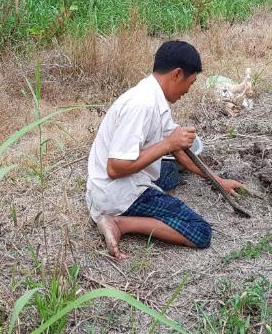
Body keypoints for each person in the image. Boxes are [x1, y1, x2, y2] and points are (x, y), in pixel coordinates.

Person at [86, 40, 243, 260]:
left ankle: (124, 213)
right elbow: (115, 168)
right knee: (200, 231)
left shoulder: (154, 95)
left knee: (170, 173)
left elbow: (179, 149)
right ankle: (118, 223)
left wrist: (218, 181)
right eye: (191, 82)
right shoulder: (142, 105)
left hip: (117, 183)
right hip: (115, 194)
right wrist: (168, 144)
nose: (188, 90)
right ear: (177, 74)